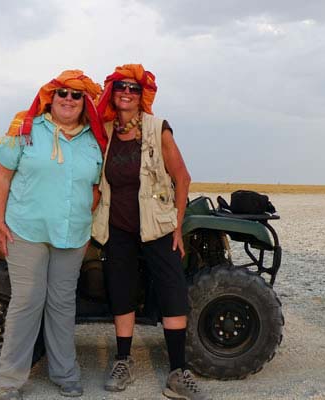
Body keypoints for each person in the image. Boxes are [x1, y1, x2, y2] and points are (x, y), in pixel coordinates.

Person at [92, 64, 209, 400]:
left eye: (133, 88)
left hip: (157, 225)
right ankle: (123, 361)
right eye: (120, 88)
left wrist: (177, 223)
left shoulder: (158, 128)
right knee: (122, 291)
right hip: (118, 226)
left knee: (172, 291)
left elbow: (182, 177)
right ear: (112, 94)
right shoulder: (108, 131)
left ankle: (177, 372)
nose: (126, 93)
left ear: (142, 95)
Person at [0, 70, 106, 400]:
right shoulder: (25, 130)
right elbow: (0, 178)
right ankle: (9, 380)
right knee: (27, 300)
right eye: (62, 94)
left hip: (72, 234)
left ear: (85, 102)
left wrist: (86, 216)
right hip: (26, 230)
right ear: (50, 98)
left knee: (62, 303)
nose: (68, 99)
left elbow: (96, 187)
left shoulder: (94, 140)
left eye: (76, 95)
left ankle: (64, 373)